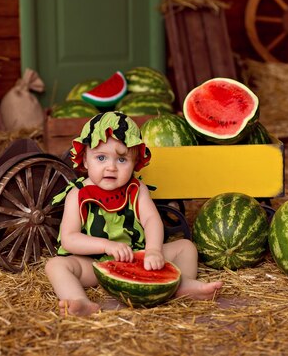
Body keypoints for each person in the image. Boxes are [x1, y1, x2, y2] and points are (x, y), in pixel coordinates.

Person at [45, 111, 223, 316]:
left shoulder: (137, 189)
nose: (111, 167)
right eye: (101, 158)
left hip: (138, 256)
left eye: (122, 160)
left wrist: (154, 250)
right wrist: (106, 246)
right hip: (93, 263)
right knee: (56, 265)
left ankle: (180, 284)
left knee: (186, 247)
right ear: (85, 160)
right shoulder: (77, 194)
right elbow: (69, 239)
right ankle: (79, 301)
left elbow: (151, 220)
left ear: (135, 160)